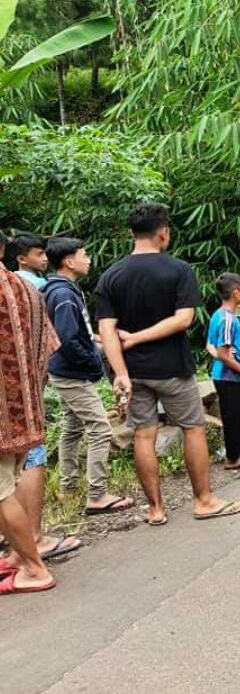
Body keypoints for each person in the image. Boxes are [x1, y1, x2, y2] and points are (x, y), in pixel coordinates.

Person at [96, 203, 240, 524]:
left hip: (133, 372)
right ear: (163, 232)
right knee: (192, 428)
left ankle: (155, 509)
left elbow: (106, 330)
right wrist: (137, 338)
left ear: (132, 234)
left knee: (142, 436)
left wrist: (121, 372)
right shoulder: (178, 270)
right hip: (173, 369)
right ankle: (204, 500)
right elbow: (184, 319)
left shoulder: (112, 275)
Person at [42, 238, 133, 515]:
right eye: (84, 254)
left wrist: (100, 340)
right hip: (72, 373)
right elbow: (68, 339)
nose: (89, 258)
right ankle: (97, 494)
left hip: (64, 369)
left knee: (72, 428)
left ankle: (67, 486)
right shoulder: (64, 295)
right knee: (100, 429)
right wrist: (93, 360)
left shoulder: (62, 290)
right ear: (69, 261)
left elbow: (77, 332)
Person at [6, 232, 82, 559]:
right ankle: (31, 542)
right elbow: (50, 343)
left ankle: (21, 551)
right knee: (27, 463)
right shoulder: (30, 289)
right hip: (24, 402)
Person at [0, 228, 60, 594]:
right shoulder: (28, 289)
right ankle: (21, 556)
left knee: (0, 491)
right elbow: (49, 345)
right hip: (25, 409)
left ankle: (35, 569)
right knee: (13, 480)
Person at [207, 272, 240, 471]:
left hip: (227, 375)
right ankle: (233, 458)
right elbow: (222, 353)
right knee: (233, 416)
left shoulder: (218, 315)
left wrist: (219, 354)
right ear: (236, 292)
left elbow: (210, 346)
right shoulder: (227, 319)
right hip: (229, 376)